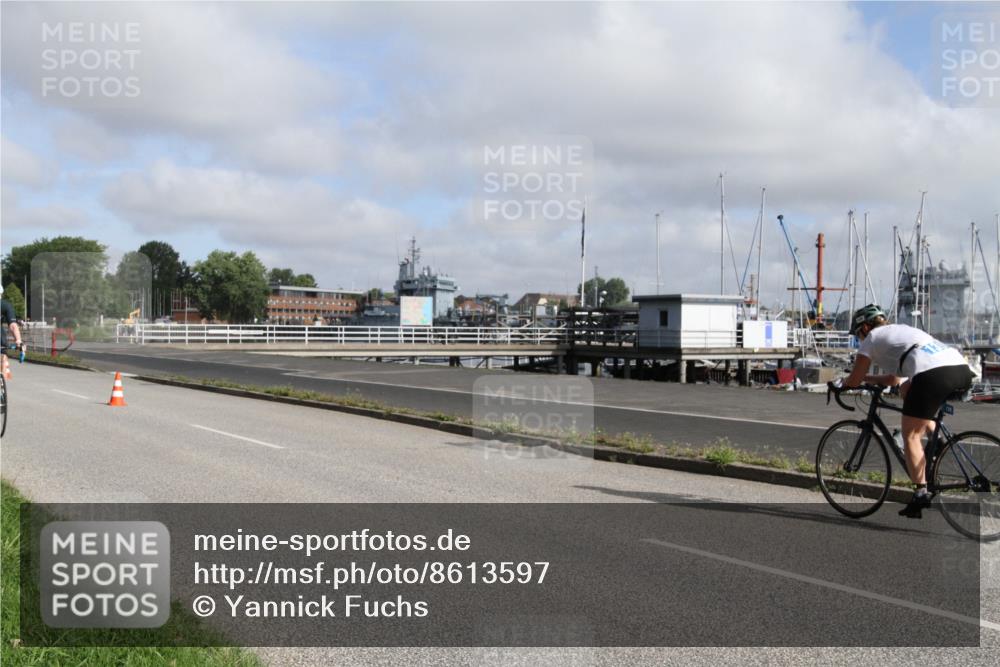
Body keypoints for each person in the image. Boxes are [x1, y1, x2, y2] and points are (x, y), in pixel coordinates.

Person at [841, 304, 975, 518]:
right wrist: (869, 379)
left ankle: (921, 493)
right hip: (959, 369)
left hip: (932, 374)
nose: (859, 339)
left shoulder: (872, 338)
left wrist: (842, 384)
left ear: (865, 327)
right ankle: (937, 439)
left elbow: (853, 380)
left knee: (910, 435)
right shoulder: (899, 332)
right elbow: (896, 380)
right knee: (910, 395)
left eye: (858, 334)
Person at [1, 286, 25, 378]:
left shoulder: (5, 306)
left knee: (2, 356)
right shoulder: (6, 305)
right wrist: (18, 341)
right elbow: (13, 325)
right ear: (2, 293)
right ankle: (1, 380)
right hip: (1, 337)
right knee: (3, 356)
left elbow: (13, 325)